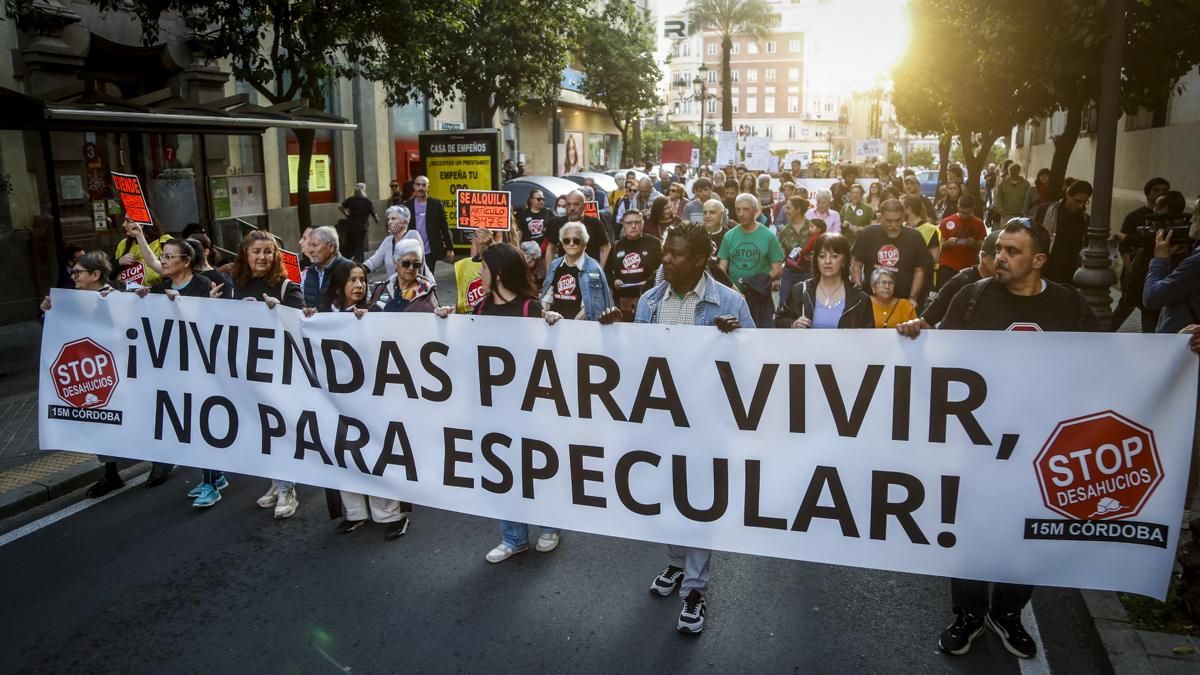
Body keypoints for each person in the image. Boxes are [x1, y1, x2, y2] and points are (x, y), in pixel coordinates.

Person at [897, 219, 1099, 660]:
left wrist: (1175, 348)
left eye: (1012, 251)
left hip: (1041, 443)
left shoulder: (1069, 304)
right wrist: (918, 334)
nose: (1000, 257)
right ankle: (968, 613)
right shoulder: (973, 296)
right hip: (978, 440)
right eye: (999, 249)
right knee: (968, 526)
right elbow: (941, 350)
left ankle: (1007, 613)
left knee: (1025, 530)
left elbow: (1111, 358)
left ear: (1038, 260)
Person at [597, 221, 752, 635]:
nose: (665, 258)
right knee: (667, 495)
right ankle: (677, 563)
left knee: (699, 503)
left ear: (700, 260)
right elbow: (636, 362)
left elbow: (757, 366)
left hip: (705, 425)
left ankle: (696, 589)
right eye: (665, 251)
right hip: (662, 422)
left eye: (676, 254)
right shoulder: (649, 301)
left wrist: (735, 341)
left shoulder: (730, 304)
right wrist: (615, 333)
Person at [433, 243, 565, 562]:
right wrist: (445, 323)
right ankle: (513, 536)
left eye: (485, 269)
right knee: (501, 469)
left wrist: (555, 327)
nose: (479, 273)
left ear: (500, 273)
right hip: (492, 406)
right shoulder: (481, 310)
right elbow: (466, 350)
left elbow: (552, 355)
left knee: (534, 468)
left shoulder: (530, 309)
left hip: (528, 407)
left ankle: (550, 525)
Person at [315, 260, 417, 540]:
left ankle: (392, 514)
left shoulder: (377, 311)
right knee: (344, 454)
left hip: (375, 398)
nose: (359, 286)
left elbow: (405, 337)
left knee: (379, 453)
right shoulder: (321, 317)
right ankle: (355, 513)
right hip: (336, 399)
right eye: (352, 280)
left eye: (362, 280)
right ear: (338, 285)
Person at [215, 230, 306, 518]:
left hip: (279, 371)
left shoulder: (285, 287)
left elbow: (304, 325)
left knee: (277, 428)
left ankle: (287, 488)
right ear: (245, 255)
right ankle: (276, 482)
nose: (263, 257)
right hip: (246, 370)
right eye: (257, 251)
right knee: (260, 430)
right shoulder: (233, 288)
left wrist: (282, 312)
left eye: (269, 251)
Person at [40, 251, 127, 497]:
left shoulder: (117, 298)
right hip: (95, 374)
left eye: (78, 273)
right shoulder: (71, 301)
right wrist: (49, 311)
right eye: (73, 273)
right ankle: (111, 473)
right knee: (101, 420)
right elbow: (53, 327)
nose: (73, 277)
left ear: (96, 274)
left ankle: (159, 461)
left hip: (120, 373)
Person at [133, 238, 215, 498]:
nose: (164, 262)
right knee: (188, 425)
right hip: (173, 370)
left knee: (204, 425)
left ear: (186, 261)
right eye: (163, 257)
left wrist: (184, 304)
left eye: (169, 257)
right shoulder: (159, 290)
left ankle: (210, 483)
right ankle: (216, 476)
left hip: (203, 369)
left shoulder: (205, 286)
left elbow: (216, 324)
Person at [1112, 177, 1172, 331]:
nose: (1160, 193)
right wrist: (1128, 267)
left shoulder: (1170, 219)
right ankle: (1103, 333)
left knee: (1150, 312)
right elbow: (1123, 245)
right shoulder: (1134, 217)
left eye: (1164, 190)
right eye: (1156, 190)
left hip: (1155, 271)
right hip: (1136, 272)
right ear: (1147, 193)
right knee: (1126, 306)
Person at [775, 233, 873, 329]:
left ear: (844, 261)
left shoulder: (860, 299)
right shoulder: (800, 290)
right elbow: (779, 319)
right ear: (816, 260)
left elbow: (868, 338)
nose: (827, 261)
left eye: (834, 256)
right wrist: (792, 324)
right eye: (822, 256)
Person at [718, 193, 784, 327]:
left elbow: (777, 270)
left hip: (759, 298)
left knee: (760, 336)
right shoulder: (729, 236)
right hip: (734, 296)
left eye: (746, 209)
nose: (741, 213)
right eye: (738, 209)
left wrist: (757, 283)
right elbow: (722, 268)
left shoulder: (768, 236)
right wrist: (733, 290)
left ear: (755, 210)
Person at [851, 198, 933, 305]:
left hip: (903, 301)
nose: (893, 225)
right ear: (881, 218)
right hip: (872, 301)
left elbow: (920, 270)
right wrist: (859, 292)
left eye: (898, 220)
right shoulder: (868, 233)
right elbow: (856, 264)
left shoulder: (914, 236)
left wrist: (912, 298)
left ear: (904, 216)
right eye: (889, 221)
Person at [1142, 195, 1200, 333]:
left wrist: (1159, 259)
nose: (1192, 219)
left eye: (1196, 214)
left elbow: (1152, 297)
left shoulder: (1197, 262)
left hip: (1183, 342)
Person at [922, 230, 1000, 327]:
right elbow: (927, 320)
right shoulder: (961, 282)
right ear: (984, 257)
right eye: (998, 258)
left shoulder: (1010, 284)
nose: (1004, 262)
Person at [542, 221, 614, 321]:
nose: (571, 244)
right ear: (562, 244)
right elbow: (547, 295)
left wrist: (570, 325)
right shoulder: (555, 264)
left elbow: (591, 307)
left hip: (581, 327)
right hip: (555, 325)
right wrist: (546, 313)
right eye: (567, 240)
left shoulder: (593, 269)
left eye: (576, 240)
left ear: (584, 243)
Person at [607, 208, 661, 320]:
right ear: (623, 224)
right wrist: (614, 281)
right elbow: (606, 272)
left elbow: (663, 269)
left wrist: (650, 282)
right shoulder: (617, 246)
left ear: (643, 223)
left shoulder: (654, 243)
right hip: (623, 302)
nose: (633, 226)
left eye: (637, 222)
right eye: (629, 223)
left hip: (650, 299)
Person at [1036, 180, 1093, 285]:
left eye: (1085, 202)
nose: (1081, 206)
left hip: (1070, 274)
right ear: (1068, 194)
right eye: (1077, 201)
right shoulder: (1046, 210)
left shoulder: (1085, 220)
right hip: (1046, 270)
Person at [547, 189, 611, 270]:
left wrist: (600, 271)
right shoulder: (558, 223)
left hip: (589, 273)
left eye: (576, 204)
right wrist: (549, 273)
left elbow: (605, 248)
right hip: (565, 274)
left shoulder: (595, 223)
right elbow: (550, 248)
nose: (572, 208)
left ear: (584, 206)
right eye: (569, 204)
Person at [404, 176, 456, 272]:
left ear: (428, 187)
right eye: (418, 185)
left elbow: (444, 226)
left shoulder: (436, 204)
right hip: (412, 249)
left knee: (427, 277)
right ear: (414, 186)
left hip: (430, 250)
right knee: (413, 277)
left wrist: (449, 248)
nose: (421, 188)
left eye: (424, 185)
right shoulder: (407, 205)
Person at [363, 205, 430, 279]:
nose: (389, 222)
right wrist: (358, 270)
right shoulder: (388, 241)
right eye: (388, 219)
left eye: (393, 219)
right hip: (395, 288)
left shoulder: (413, 235)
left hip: (416, 286)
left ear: (404, 222)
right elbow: (373, 262)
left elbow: (417, 263)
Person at [937, 194, 987, 290]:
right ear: (958, 206)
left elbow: (983, 247)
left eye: (967, 213)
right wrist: (947, 243)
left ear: (973, 208)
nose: (964, 216)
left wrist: (975, 244)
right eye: (962, 212)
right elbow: (938, 247)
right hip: (948, 266)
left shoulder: (979, 223)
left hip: (969, 266)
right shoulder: (946, 221)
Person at [301, 226, 353, 311]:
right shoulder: (309, 271)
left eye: (314, 245)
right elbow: (300, 302)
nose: (310, 250)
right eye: (310, 245)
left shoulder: (350, 269)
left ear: (331, 247)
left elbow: (362, 303)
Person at [114, 220, 171, 287]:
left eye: (128, 221)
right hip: (129, 294)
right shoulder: (123, 244)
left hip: (159, 294)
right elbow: (109, 275)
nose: (123, 224)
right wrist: (119, 262)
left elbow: (174, 272)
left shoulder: (164, 241)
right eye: (124, 220)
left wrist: (139, 235)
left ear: (142, 224)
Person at [778, 196, 813, 304]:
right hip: (789, 274)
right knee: (784, 304)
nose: (785, 211)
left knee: (807, 305)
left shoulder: (812, 228)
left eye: (788, 208)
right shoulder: (784, 230)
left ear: (798, 210)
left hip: (808, 273)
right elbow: (781, 255)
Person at [453, 227, 496, 314]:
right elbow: (460, 303)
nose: (480, 272)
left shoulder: (503, 262)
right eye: (476, 235)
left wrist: (490, 245)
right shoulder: (464, 265)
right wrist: (450, 312)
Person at [339, 183, 378, 263]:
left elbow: (340, 206)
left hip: (350, 225)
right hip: (362, 226)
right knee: (359, 244)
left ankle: (350, 259)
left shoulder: (350, 200)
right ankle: (358, 261)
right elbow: (374, 214)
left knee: (351, 243)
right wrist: (376, 219)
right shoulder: (367, 202)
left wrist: (346, 214)